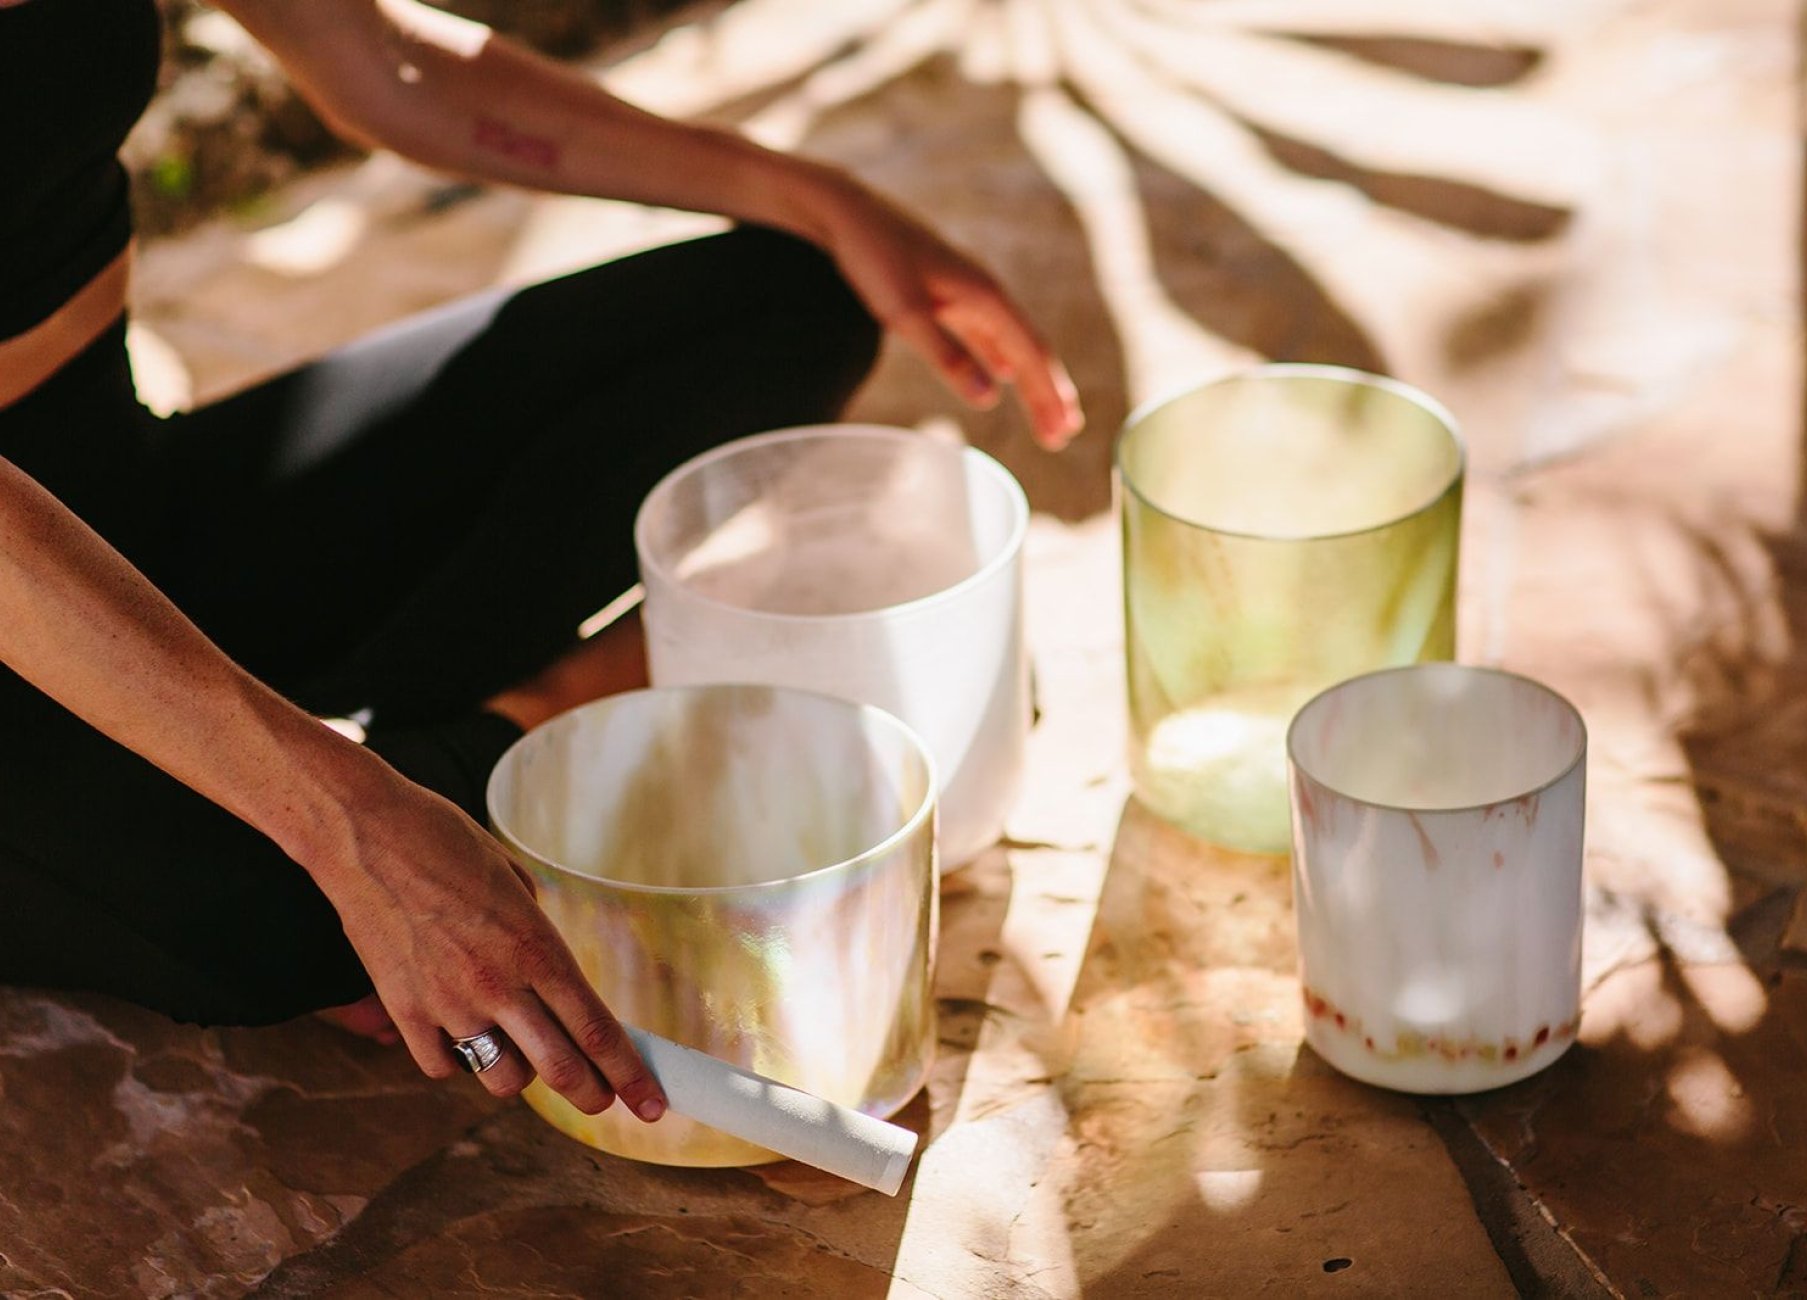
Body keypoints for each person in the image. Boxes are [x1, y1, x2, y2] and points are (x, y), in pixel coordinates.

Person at [0, 0, 1081, 1125]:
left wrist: (819, 198)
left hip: (129, 494)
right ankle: (536, 724)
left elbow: (381, 59)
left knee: (793, 297)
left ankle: (472, 746)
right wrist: (345, 822)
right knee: (276, 916)